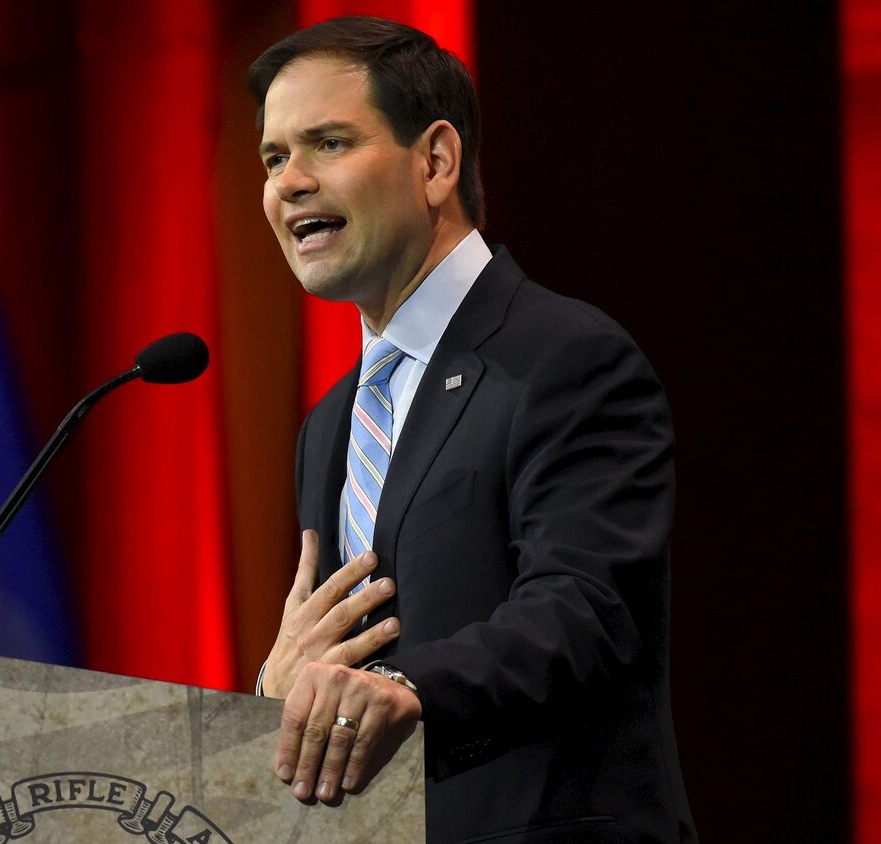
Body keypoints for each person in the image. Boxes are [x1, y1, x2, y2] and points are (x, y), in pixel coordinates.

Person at [249, 17, 696, 843]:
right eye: (275, 158)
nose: (290, 182)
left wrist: (404, 687)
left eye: (329, 143)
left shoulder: (564, 357)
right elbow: (338, 665)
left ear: (436, 161)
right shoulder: (329, 423)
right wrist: (277, 692)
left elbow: (586, 609)